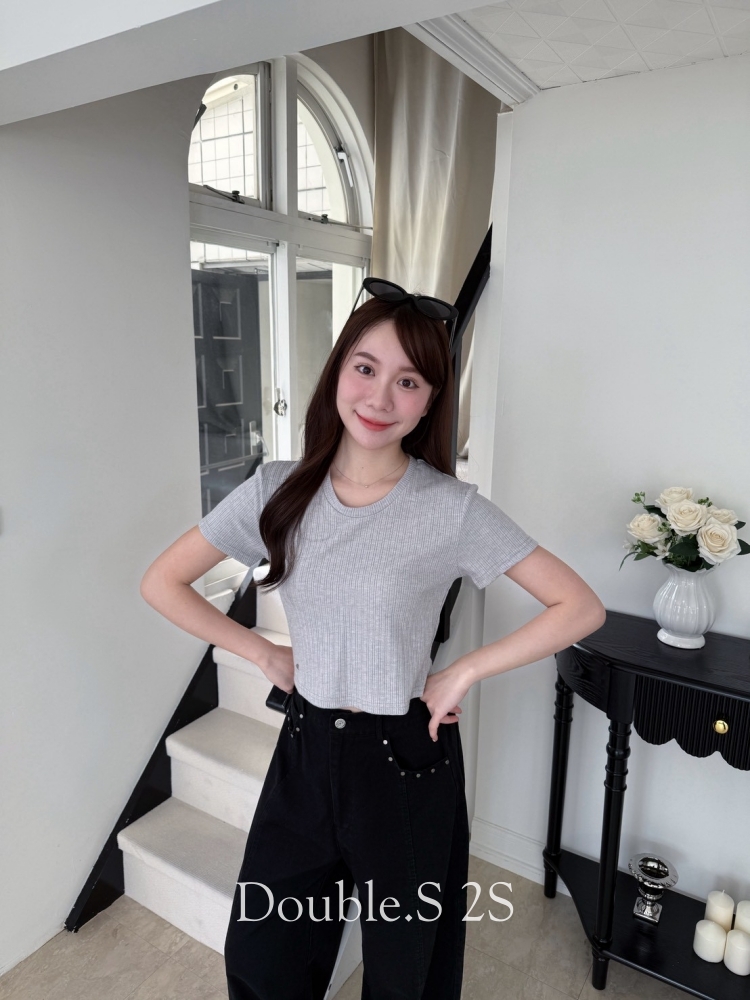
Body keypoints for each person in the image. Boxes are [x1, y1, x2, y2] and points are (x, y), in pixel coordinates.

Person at [140, 281, 606, 1000]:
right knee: (264, 956)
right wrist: (262, 651)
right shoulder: (276, 489)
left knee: (406, 969)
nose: (380, 397)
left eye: (408, 381)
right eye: (365, 368)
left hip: (405, 759)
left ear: (429, 401)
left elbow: (579, 606)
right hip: (305, 749)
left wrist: (461, 673)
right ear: (337, 373)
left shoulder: (451, 510)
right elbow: (162, 582)